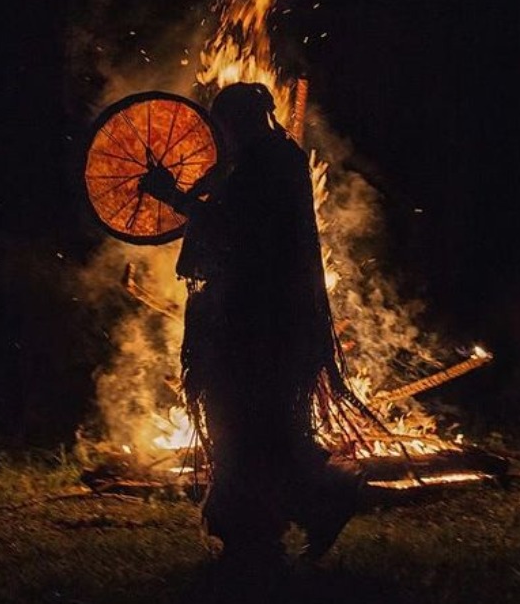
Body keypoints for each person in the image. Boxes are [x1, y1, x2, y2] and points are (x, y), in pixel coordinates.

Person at [139, 81, 368, 568]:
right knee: (256, 429)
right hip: (258, 317)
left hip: (258, 322)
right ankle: (263, 530)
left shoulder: (266, 164)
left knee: (249, 428)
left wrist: (174, 198)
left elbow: (237, 232)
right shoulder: (267, 159)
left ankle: (302, 508)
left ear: (242, 120)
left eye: (227, 122)